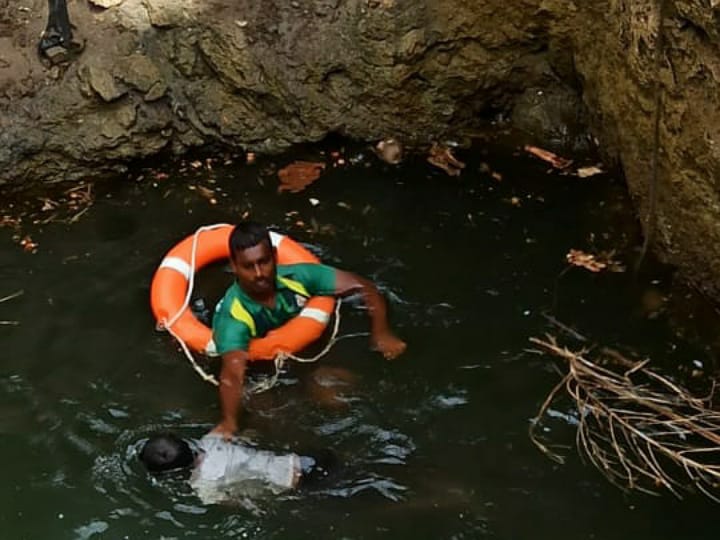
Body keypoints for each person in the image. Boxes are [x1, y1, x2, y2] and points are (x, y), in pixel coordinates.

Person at [211, 221, 407, 439]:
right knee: (271, 420)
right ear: (234, 266)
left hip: (308, 357)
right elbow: (233, 374)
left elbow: (362, 286)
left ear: (274, 256)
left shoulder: (297, 277)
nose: (258, 273)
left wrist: (382, 332)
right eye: (248, 266)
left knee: (333, 396)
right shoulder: (234, 317)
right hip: (263, 375)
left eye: (263, 262)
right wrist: (229, 422)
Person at [139, 432, 331, 504]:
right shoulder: (212, 439)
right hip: (301, 459)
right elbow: (246, 435)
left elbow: (236, 502)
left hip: (296, 484)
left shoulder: (203, 487)